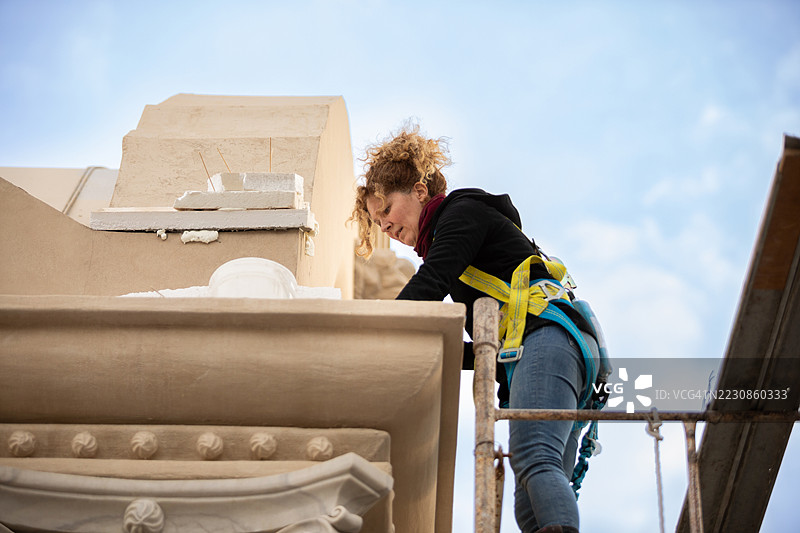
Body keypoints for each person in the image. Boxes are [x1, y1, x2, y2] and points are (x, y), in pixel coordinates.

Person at [351, 125, 599, 533]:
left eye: (386, 211)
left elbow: (430, 282)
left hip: (547, 338)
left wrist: (380, 336)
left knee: (535, 455)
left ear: (418, 191)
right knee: (528, 505)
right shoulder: (456, 248)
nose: (384, 228)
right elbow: (481, 348)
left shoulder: (460, 215)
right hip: (545, 350)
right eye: (377, 222)